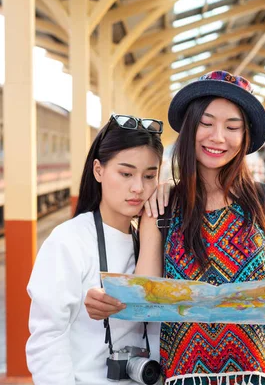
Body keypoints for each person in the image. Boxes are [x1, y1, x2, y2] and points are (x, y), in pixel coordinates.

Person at [87, 71, 265, 385]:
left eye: (232, 127)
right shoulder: (161, 207)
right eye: (206, 123)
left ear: (246, 135)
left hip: (263, 374)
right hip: (185, 375)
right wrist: (105, 299)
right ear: (189, 128)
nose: (217, 137)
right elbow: (145, 299)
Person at [26, 113, 165, 385]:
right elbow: (47, 339)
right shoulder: (68, 241)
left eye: (150, 176)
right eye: (125, 173)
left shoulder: (151, 239)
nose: (138, 187)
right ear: (98, 170)